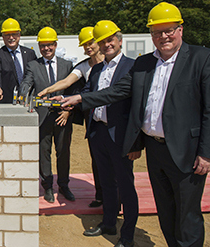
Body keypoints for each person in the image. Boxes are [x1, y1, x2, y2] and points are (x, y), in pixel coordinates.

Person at [61, 2, 210, 247]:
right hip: (155, 151)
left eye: (169, 30)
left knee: (187, 215)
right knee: (165, 210)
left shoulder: (202, 58)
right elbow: (117, 91)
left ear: (180, 29)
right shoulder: (144, 64)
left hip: (186, 150)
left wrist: (207, 153)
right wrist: (80, 97)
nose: (163, 36)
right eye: (157, 32)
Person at [76, 21, 138, 247]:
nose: (107, 44)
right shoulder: (97, 69)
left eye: (111, 40)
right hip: (99, 132)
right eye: (103, 41)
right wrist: (67, 102)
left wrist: (135, 141)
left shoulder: (133, 67)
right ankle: (109, 222)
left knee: (125, 185)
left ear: (120, 41)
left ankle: (128, 235)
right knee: (106, 183)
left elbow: (134, 105)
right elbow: (86, 93)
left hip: (120, 136)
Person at [38, 26, 105, 208]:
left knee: (115, 165)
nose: (88, 47)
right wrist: (47, 90)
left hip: (113, 120)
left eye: (90, 43)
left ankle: (116, 200)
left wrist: (68, 109)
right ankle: (101, 197)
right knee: (98, 161)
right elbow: (67, 82)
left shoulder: (111, 63)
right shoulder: (83, 66)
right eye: (85, 45)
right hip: (94, 121)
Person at [19, 27, 75, 203]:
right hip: (42, 117)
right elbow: (26, 83)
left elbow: (74, 91)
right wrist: (24, 93)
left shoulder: (67, 65)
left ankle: (64, 185)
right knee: (44, 153)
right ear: (39, 47)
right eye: (43, 46)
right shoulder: (33, 66)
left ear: (55, 45)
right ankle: (48, 186)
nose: (46, 49)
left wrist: (67, 111)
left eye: (49, 45)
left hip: (63, 116)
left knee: (63, 152)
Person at [0, 18, 37, 103]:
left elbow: (36, 75)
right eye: (7, 35)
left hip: (28, 101)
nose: (11, 38)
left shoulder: (30, 53)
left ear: (19, 35)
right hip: (7, 102)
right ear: (3, 37)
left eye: (14, 34)